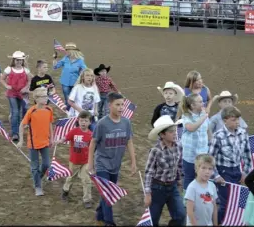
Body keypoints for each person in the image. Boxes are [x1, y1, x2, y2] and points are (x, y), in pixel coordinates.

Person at [88, 92, 137, 226]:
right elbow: (93, 143)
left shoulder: (126, 122)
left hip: (116, 165)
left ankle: (99, 214)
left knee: (107, 193)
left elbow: (129, 141)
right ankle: (109, 222)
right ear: (110, 106)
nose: (121, 107)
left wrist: (133, 162)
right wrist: (90, 164)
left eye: (122, 105)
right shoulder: (102, 124)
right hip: (102, 163)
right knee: (108, 194)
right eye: (117, 105)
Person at [208, 106, 252, 224]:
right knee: (226, 203)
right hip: (223, 172)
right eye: (233, 119)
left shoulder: (243, 134)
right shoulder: (218, 136)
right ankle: (218, 222)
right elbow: (210, 157)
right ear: (225, 120)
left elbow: (247, 154)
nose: (237, 122)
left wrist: (246, 172)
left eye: (238, 119)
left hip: (237, 171)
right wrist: (216, 175)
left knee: (236, 201)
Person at [144, 115, 186, 226]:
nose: (175, 133)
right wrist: (148, 193)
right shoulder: (155, 151)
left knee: (181, 215)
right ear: (162, 134)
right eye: (171, 131)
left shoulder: (179, 146)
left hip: (173, 187)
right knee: (153, 219)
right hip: (157, 188)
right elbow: (148, 173)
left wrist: (179, 180)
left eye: (175, 130)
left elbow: (179, 166)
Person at [16, 88, 53, 196]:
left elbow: (50, 123)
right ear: (36, 99)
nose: (46, 98)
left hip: (45, 142)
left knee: (46, 164)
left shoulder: (49, 110)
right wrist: (21, 140)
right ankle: (38, 186)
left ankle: (38, 177)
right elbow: (22, 125)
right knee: (35, 166)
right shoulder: (31, 111)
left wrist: (52, 138)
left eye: (46, 95)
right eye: (43, 96)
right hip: (33, 144)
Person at [55, 110, 93, 209]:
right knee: (70, 178)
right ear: (78, 121)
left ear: (90, 122)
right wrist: (59, 141)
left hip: (85, 162)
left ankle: (87, 199)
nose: (83, 123)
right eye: (81, 120)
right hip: (74, 161)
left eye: (85, 121)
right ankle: (65, 190)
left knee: (86, 180)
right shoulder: (74, 131)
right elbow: (65, 138)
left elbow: (93, 148)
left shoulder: (91, 135)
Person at [180, 93, 211, 194]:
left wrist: (211, 145)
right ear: (193, 105)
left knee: (203, 177)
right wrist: (203, 117)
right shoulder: (186, 116)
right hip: (190, 155)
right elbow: (192, 128)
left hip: (203, 154)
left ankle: (200, 197)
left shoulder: (204, 116)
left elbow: (208, 131)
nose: (203, 103)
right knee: (189, 178)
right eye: (200, 101)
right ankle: (187, 200)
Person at [0, 51, 32, 141]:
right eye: (17, 60)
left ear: (22, 61)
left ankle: (20, 128)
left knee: (23, 110)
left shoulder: (26, 70)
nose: (19, 62)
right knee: (15, 112)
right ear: (14, 60)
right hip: (12, 94)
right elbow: (2, 78)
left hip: (23, 94)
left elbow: (29, 81)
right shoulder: (9, 69)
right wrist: (6, 86)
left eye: (20, 60)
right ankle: (15, 133)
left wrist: (26, 88)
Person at [185, 154, 218, 226]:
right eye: (203, 168)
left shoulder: (212, 186)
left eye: (210, 169)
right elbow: (189, 211)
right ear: (196, 169)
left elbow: (214, 208)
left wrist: (215, 224)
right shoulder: (192, 187)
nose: (207, 171)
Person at [52, 42, 87, 110]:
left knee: (74, 99)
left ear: (72, 51)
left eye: (67, 50)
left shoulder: (80, 61)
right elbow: (55, 67)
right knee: (67, 99)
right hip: (65, 82)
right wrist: (55, 59)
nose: (66, 51)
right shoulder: (65, 58)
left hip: (75, 83)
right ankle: (68, 112)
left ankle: (74, 112)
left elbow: (85, 70)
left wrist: (81, 76)